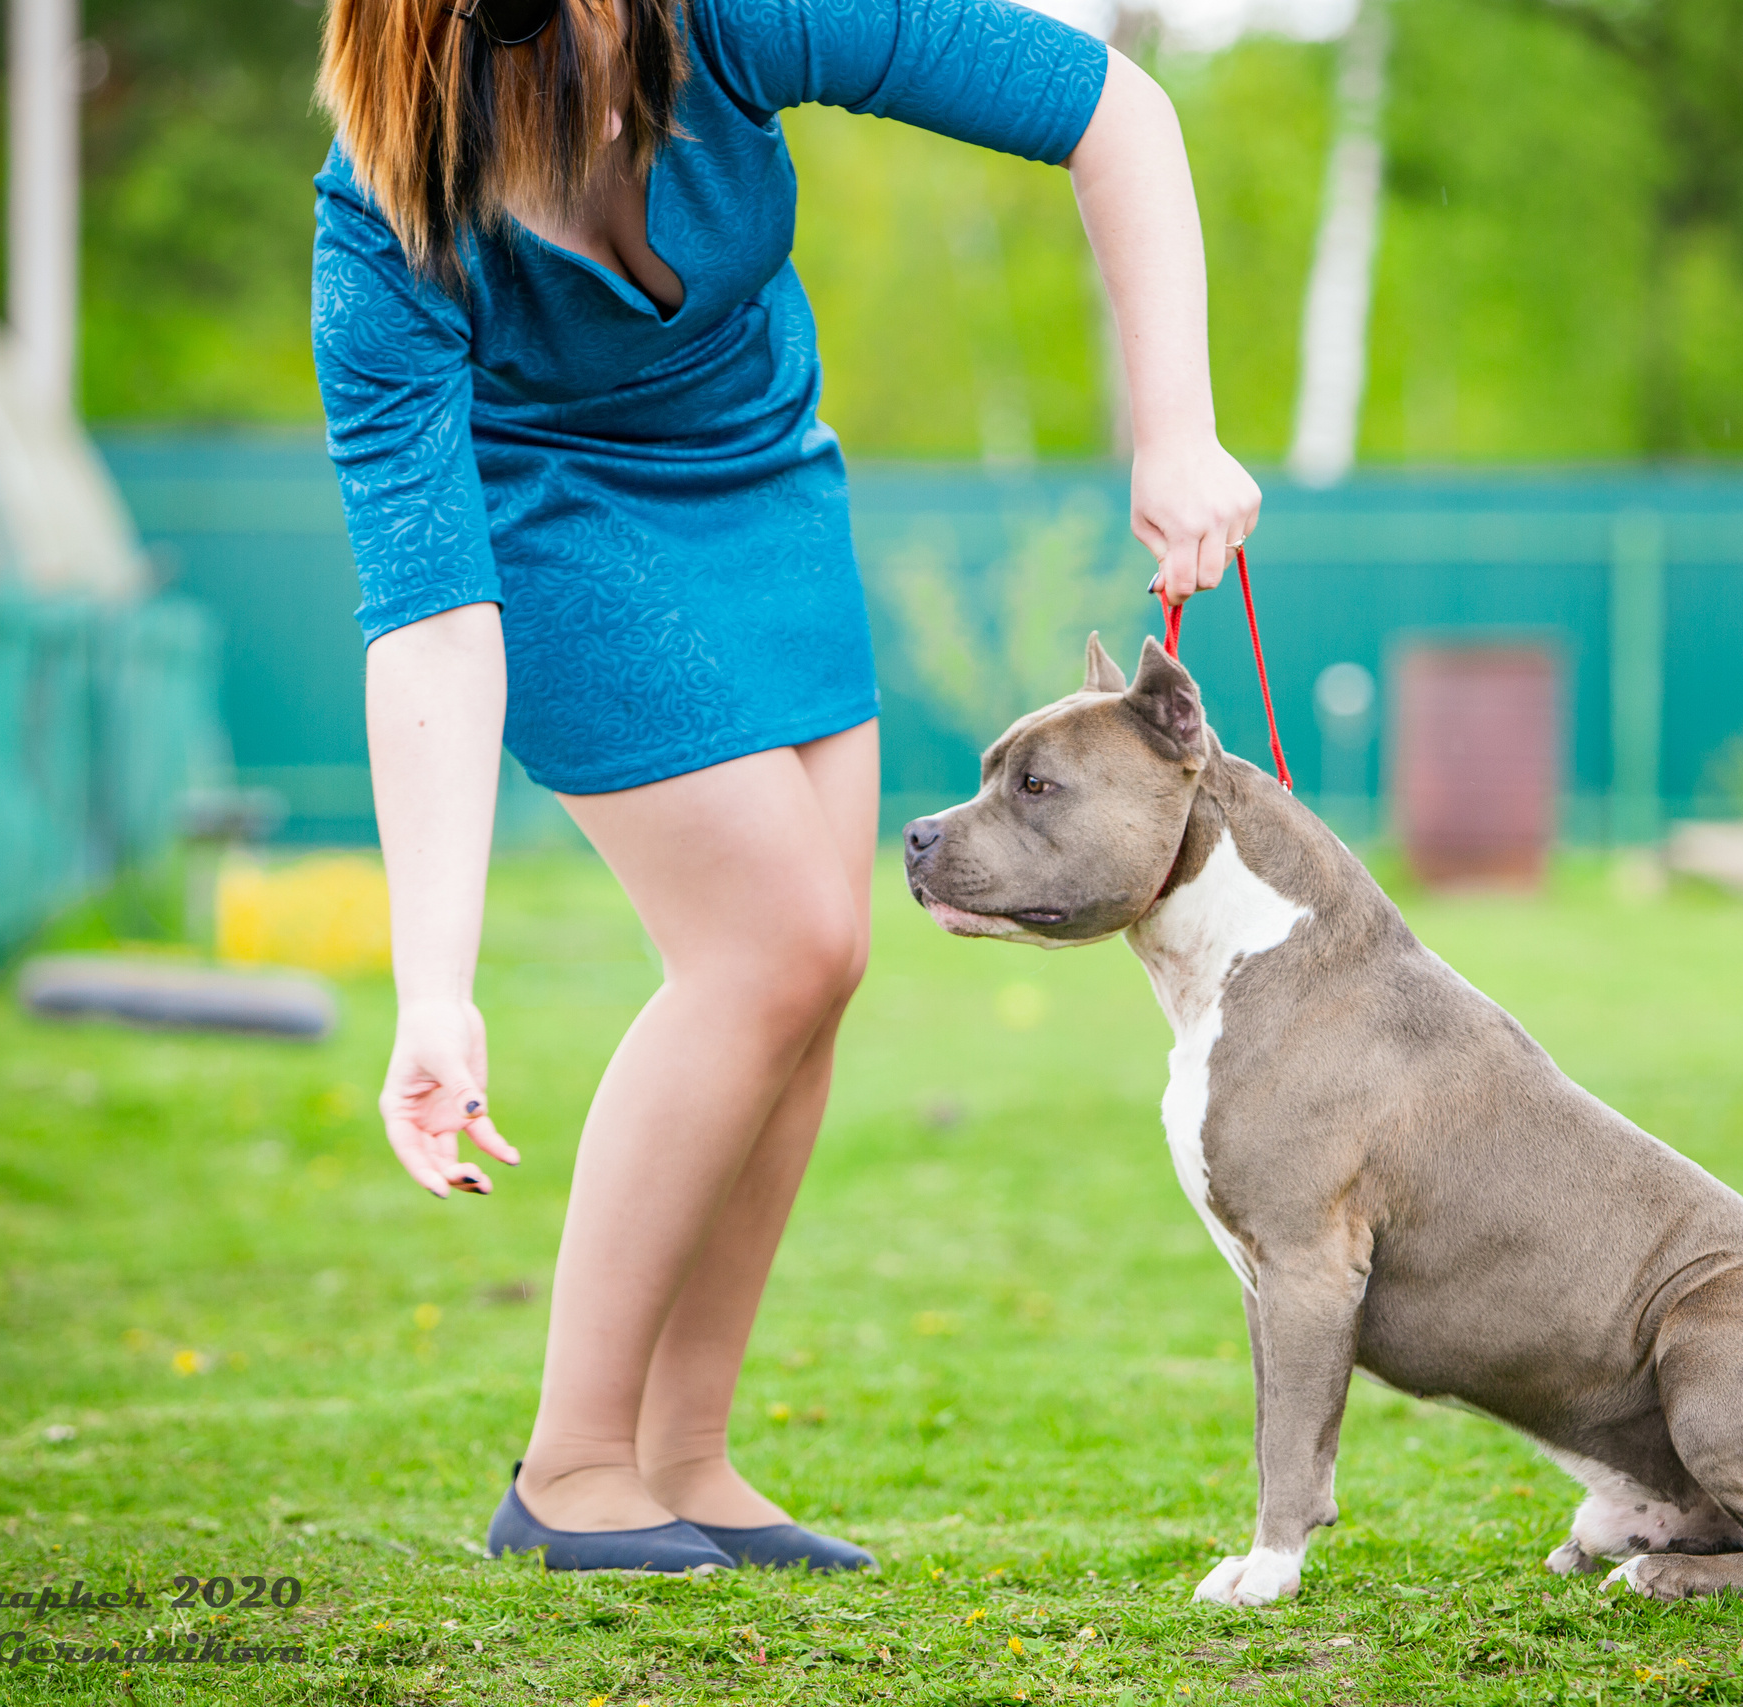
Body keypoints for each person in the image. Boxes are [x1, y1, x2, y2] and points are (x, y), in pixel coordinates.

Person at [311, 0, 1260, 1573]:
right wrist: (435, 985)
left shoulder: (739, 14)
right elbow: (426, 621)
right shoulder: (384, 218)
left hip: (760, 477)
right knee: (773, 948)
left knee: (818, 974)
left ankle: (687, 1454)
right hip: (548, 518)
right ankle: (570, 1471)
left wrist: (1175, 434)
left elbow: (1113, 111)